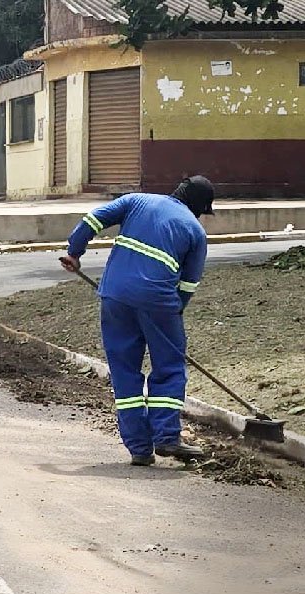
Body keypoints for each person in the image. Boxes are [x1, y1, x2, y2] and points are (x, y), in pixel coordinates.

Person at [60, 176, 215, 466]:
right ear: (199, 207)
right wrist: (171, 315)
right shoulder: (195, 230)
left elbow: (92, 220)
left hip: (115, 298)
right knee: (169, 367)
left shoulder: (136, 200)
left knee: (124, 371)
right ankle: (167, 436)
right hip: (159, 303)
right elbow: (188, 285)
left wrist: (74, 252)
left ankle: (139, 449)